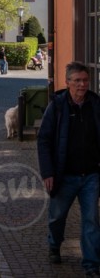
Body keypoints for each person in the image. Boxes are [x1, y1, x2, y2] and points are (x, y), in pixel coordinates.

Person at [37, 61, 100, 274]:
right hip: (64, 175)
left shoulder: (96, 105)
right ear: (68, 82)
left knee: (91, 220)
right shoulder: (57, 106)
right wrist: (48, 172)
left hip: (91, 175)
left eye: (85, 80)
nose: (82, 85)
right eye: (77, 81)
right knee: (57, 217)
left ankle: (91, 264)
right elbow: (44, 140)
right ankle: (54, 244)